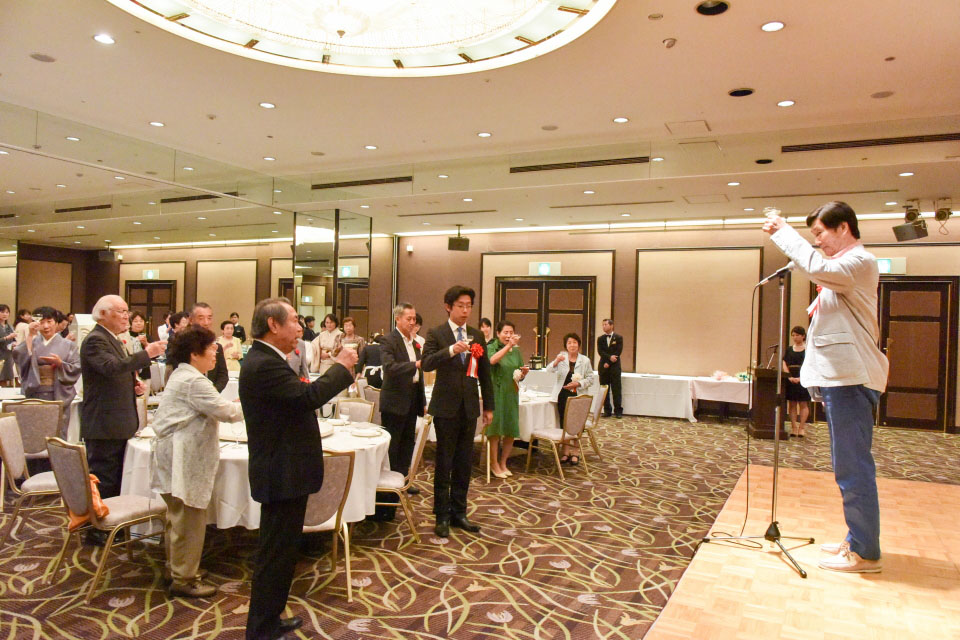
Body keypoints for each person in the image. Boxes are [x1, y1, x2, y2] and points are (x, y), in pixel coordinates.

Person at [763, 201, 889, 573]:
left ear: (844, 228)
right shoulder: (844, 269)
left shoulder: (859, 261)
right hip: (842, 380)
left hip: (851, 379)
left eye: (819, 233)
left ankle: (865, 550)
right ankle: (857, 538)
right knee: (846, 465)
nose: (817, 241)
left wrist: (785, 233)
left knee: (853, 468)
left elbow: (818, 267)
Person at [240, 297, 357, 640]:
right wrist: (341, 366)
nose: (300, 327)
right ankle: (260, 629)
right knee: (274, 554)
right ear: (273, 324)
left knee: (282, 552)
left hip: (285, 468)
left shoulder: (268, 359)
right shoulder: (264, 363)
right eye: (293, 320)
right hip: (280, 470)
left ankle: (269, 619)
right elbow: (307, 398)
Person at [151, 327, 243, 598]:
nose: (216, 352)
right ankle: (185, 578)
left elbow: (216, 406)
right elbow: (226, 412)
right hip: (182, 457)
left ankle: (176, 568)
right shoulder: (193, 380)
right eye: (212, 348)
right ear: (194, 353)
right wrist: (254, 403)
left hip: (175, 453)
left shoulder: (184, 375)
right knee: (189, 519)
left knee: (178, 517)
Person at [80, 295, 166, 544]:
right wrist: (147, 353)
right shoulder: (96, 340)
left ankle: (111, 526)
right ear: (103, 314)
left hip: (116, 421)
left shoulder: (113, 339)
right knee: (104, 478)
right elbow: (111, 367)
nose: (126, 316)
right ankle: (98, 530)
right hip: (104, 423)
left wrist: (133, 385)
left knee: (115, 476)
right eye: (120, 311)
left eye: (127, 311)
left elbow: (116, 371)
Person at [421, 285, 494, 538]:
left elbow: (485, 372)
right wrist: (451, 350)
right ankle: (441, 514)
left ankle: (459, 512)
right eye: (461, 306)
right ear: (448, 307)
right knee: (444, 462)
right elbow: (426, 363)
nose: (465, 311)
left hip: (469, 407)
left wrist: (489, 406)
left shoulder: (476, 335)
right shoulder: (437, 333)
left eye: (469, 306)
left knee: (464, 462)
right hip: (445, 408)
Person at [376, 304, 427, 519]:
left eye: (414, 319)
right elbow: (390, 368)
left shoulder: (414, 342)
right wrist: (415, 364)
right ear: (397, 319)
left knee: (407, 445)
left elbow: (419, 377)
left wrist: (422, 401)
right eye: (409, 319)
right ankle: (387, 497)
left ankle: (403, 480)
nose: (413, 322)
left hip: (412, 400)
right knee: (393, 448)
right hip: (395, 402)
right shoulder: (388, 340)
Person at [13, 306, 81, 438]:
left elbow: (77, 367)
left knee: (57, 433)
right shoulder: (32, 341)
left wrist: (60, 364)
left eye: (49, 321)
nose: (45, 326)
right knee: (34, 432)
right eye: (42, 322)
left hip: (58, 394)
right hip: (35, 393)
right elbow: (19, 357)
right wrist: (30, 335)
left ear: (56, 323)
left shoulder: (68, 345)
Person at [486, 320, 528, 479]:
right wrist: (508, 346)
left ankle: (503, 462)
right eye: (505, 332)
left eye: (511, 332)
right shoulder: (492, 346)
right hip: (496, 392)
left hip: (511, 392)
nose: (509, 335)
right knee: (495, 429)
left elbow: (518, 371)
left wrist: (523, 374)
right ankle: (494, 464)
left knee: (510, 429)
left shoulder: (516, 351)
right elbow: (492, 360)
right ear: (498, 333)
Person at [546, 332, 594, 465]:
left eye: (574, 342)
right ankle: (566, 451)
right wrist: (556, 361)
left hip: (578, 396)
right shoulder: (561, 357)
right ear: (566, 346)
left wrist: (578, 384)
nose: (572, 345)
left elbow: (591, 379)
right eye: (569, 343)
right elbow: (549, 370)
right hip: (563, 395)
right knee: (564, 422)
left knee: (577, 423)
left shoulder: (585, 360)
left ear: (579, 345)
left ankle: (576, 452)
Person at [190, 303, 229, 392]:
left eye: (209, 318)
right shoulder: (185, 345)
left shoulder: (217, 347)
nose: (206, 323)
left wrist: (213, 391)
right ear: (191, 320)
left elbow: (223, 375)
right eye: (201, 318)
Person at [783, 325, 811, 438]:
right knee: (792, 404)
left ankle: (802, 428)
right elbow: (784, 362)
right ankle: (794, 427)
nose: (795, 337)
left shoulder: (808, 349)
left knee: (803, 403)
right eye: (793, 335)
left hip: (803, 378)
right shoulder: (789, 349)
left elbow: (810, 365)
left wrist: (801, 378)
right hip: (791, 378)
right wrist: (789, 376)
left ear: (803, 336)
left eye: (797, 335)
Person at [596, 318, 623, 418]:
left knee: (616, 390)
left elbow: (618, 352)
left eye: (606, 324)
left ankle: (618, 411)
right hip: (603, 367)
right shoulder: (600, 339)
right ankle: (607, 410)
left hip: (614, 367)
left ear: (611, 326)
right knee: (604, 390)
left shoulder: (618, 338)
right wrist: (608, 359)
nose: (604, 326)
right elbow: (600, 352)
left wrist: (609, 362)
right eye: (602, 325)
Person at [124, 311, 152, 381]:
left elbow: (155, 355)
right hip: (129, 371)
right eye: (135, 321)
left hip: (144, 372)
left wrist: (146, 343)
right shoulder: (126, 336)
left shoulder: (147, 337)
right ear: (131, 323)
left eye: (141, 321)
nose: (139, 323)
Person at [0, 305, 17, 385]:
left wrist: (14, 343)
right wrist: (6, 338)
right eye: (2, 312)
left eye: (7, 312)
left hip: (8, 354)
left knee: (6, 378)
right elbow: (8, 337)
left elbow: (13, 339)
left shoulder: (9, 326)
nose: (5, 314)